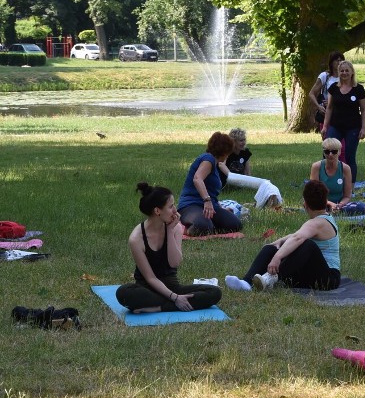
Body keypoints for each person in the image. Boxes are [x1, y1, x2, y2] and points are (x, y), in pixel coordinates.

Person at [116, 183, 222, 313]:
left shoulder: (175, 228)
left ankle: (159, 307)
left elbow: (174, 263)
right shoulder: (136, 238)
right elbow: (150, 278)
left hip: (172, 286)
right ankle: (171, 303)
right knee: (123, 293)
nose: (175, 211)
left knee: (214, 292)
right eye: (171, 206)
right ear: (157, 211)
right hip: (147, 289)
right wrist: (175, 298)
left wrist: (170, 232)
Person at [224, 180, 340, 291]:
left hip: (328, 279)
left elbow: (297, 238)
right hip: (310, 275)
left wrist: (277, 258)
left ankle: (270, 278)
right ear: (326, 201)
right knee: (271, 247)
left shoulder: (318, 223)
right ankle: (246, 283)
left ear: (305, 204)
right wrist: (277, 243)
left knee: (307, 245)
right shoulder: (320, 221)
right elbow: (295, 235)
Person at [177, 132, 242, 236]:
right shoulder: (208, 159)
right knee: (204, 227)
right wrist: (207, 200)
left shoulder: (215, 164)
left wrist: (220, 207)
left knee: (234, 224)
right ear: (224, 152)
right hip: (191, 205)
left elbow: (212, 192)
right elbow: (197, 179)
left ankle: (209, 225)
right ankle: (183, 228)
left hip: (210, 207)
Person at [322, 60, 365, 183]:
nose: (344, 73)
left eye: (347, 70)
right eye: (342, 70)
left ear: (352, 72)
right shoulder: (333, 88)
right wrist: (325, 126)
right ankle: (328, 182)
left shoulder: (359, 89)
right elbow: (329, 108)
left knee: (349, 156)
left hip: (353, 128)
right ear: (338, 72)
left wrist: (363, 128)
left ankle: (350, 186)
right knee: (328, 152)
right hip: (335, 126)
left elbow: (363, 109)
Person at [217, 128, 282, 208]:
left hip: (238, 184)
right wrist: (232, 176)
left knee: (267, 184)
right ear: (234, 141)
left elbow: (247, 173)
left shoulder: (245, 153)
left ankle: (271, 199)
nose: (243, 142)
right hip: (224, 183)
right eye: (240, 140)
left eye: (244, 140)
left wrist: (249, 184)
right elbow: (221, 164)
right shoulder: (227, 151)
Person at [309, 138, 353, 212]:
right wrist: (329, 204)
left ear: (339, 152)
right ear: (323, 153)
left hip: (340, 205)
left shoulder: (345, 168)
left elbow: (347, 196)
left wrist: (339, 205)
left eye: (334, 152)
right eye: (327, 152)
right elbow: (314, 194)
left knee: (361, 207)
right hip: (320, 204)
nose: (330, 155)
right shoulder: (316, 167)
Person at [309, 51, 344, 131]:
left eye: (341, 60)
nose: (339, 62)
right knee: (329, 141)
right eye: (337, 60)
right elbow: (311, 94)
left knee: (342, 142)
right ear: (331, 62)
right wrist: (319, 106)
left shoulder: (346, 76)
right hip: (327, 113)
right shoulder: (325, 76)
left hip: (341, 113)